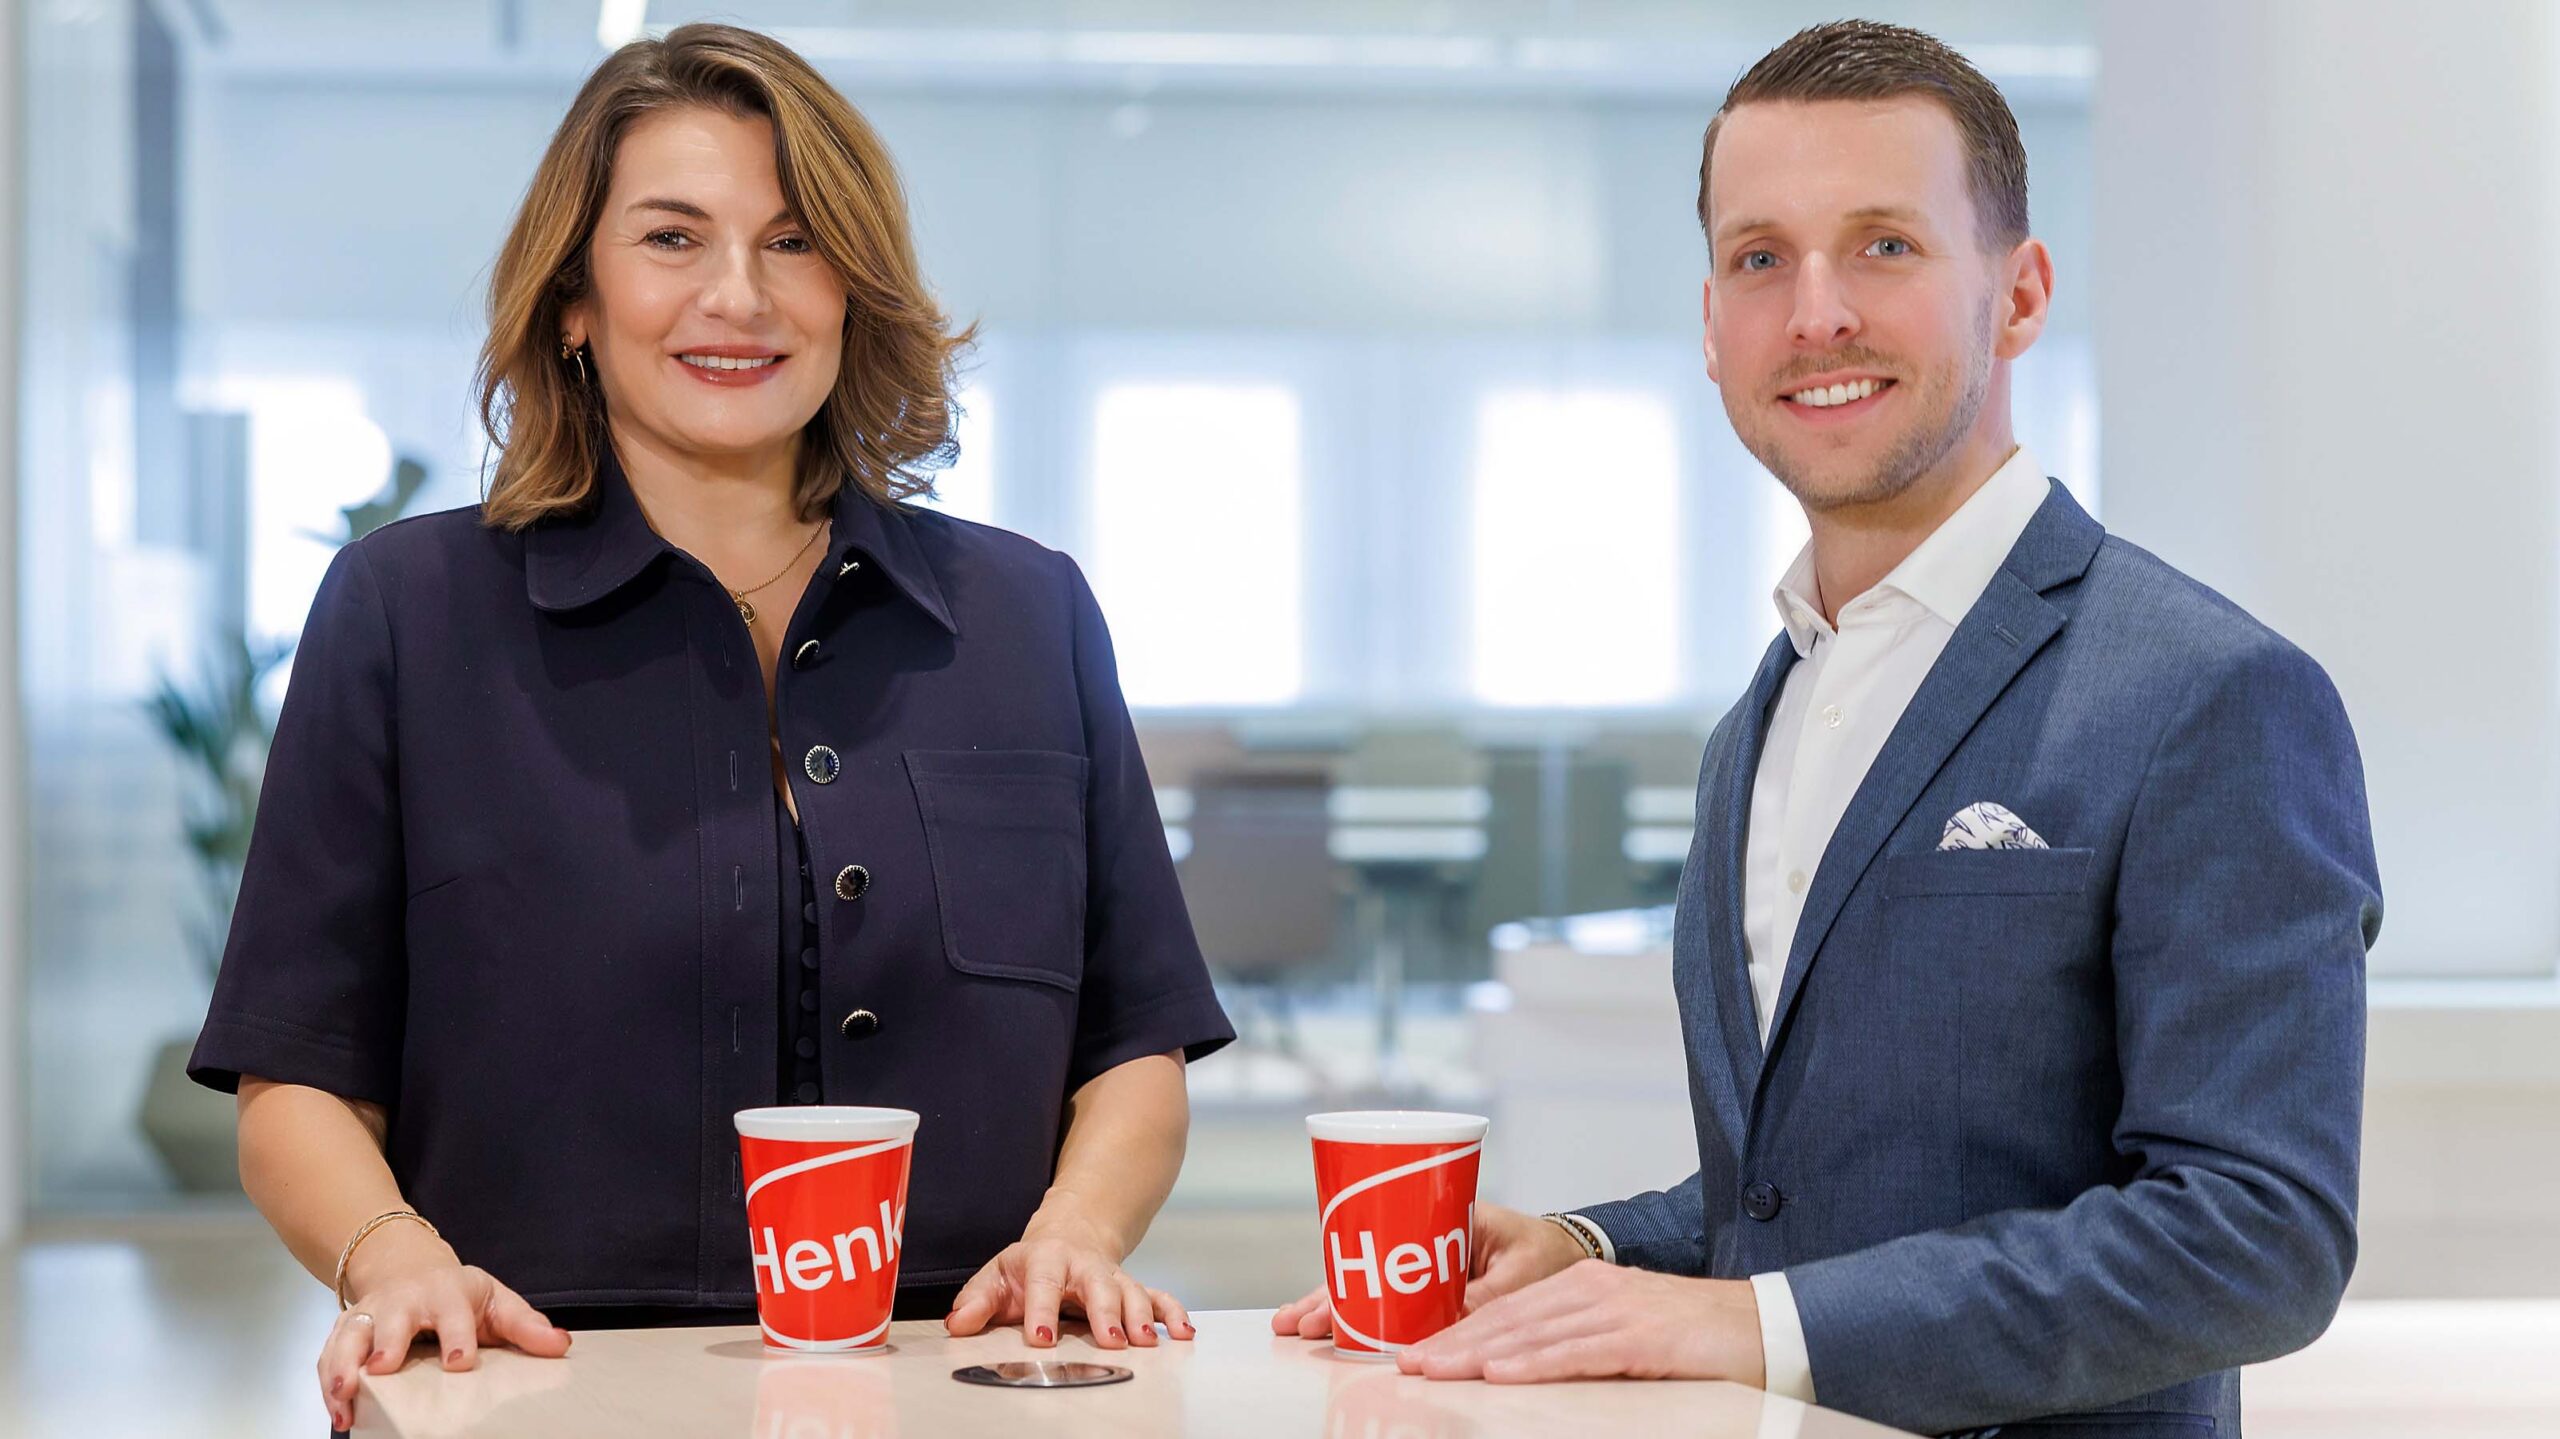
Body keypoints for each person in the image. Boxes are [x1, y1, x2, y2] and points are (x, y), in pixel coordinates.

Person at [1276, 21, 2379, 1437]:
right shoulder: (1767, 713)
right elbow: (1824, 1190)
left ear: (2021, 293)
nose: (1815, 316)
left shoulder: (2209, 695)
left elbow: (2254, 1238)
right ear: (1713, 323)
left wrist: (1741, 1322)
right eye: (1760, 259)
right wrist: (1601, 1250)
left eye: (1884, 247)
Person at [187, 24, 1232, 1433]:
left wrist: (1082, 1231)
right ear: (575, 295)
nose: (737, 298)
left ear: (853, 291)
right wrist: (397, 1260)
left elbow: (1134, 1041)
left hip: (977, 1389)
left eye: (793, 242)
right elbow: (294, 1069)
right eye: (672, 238)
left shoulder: (1026, 613)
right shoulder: (407, 609)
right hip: (526, 1388)